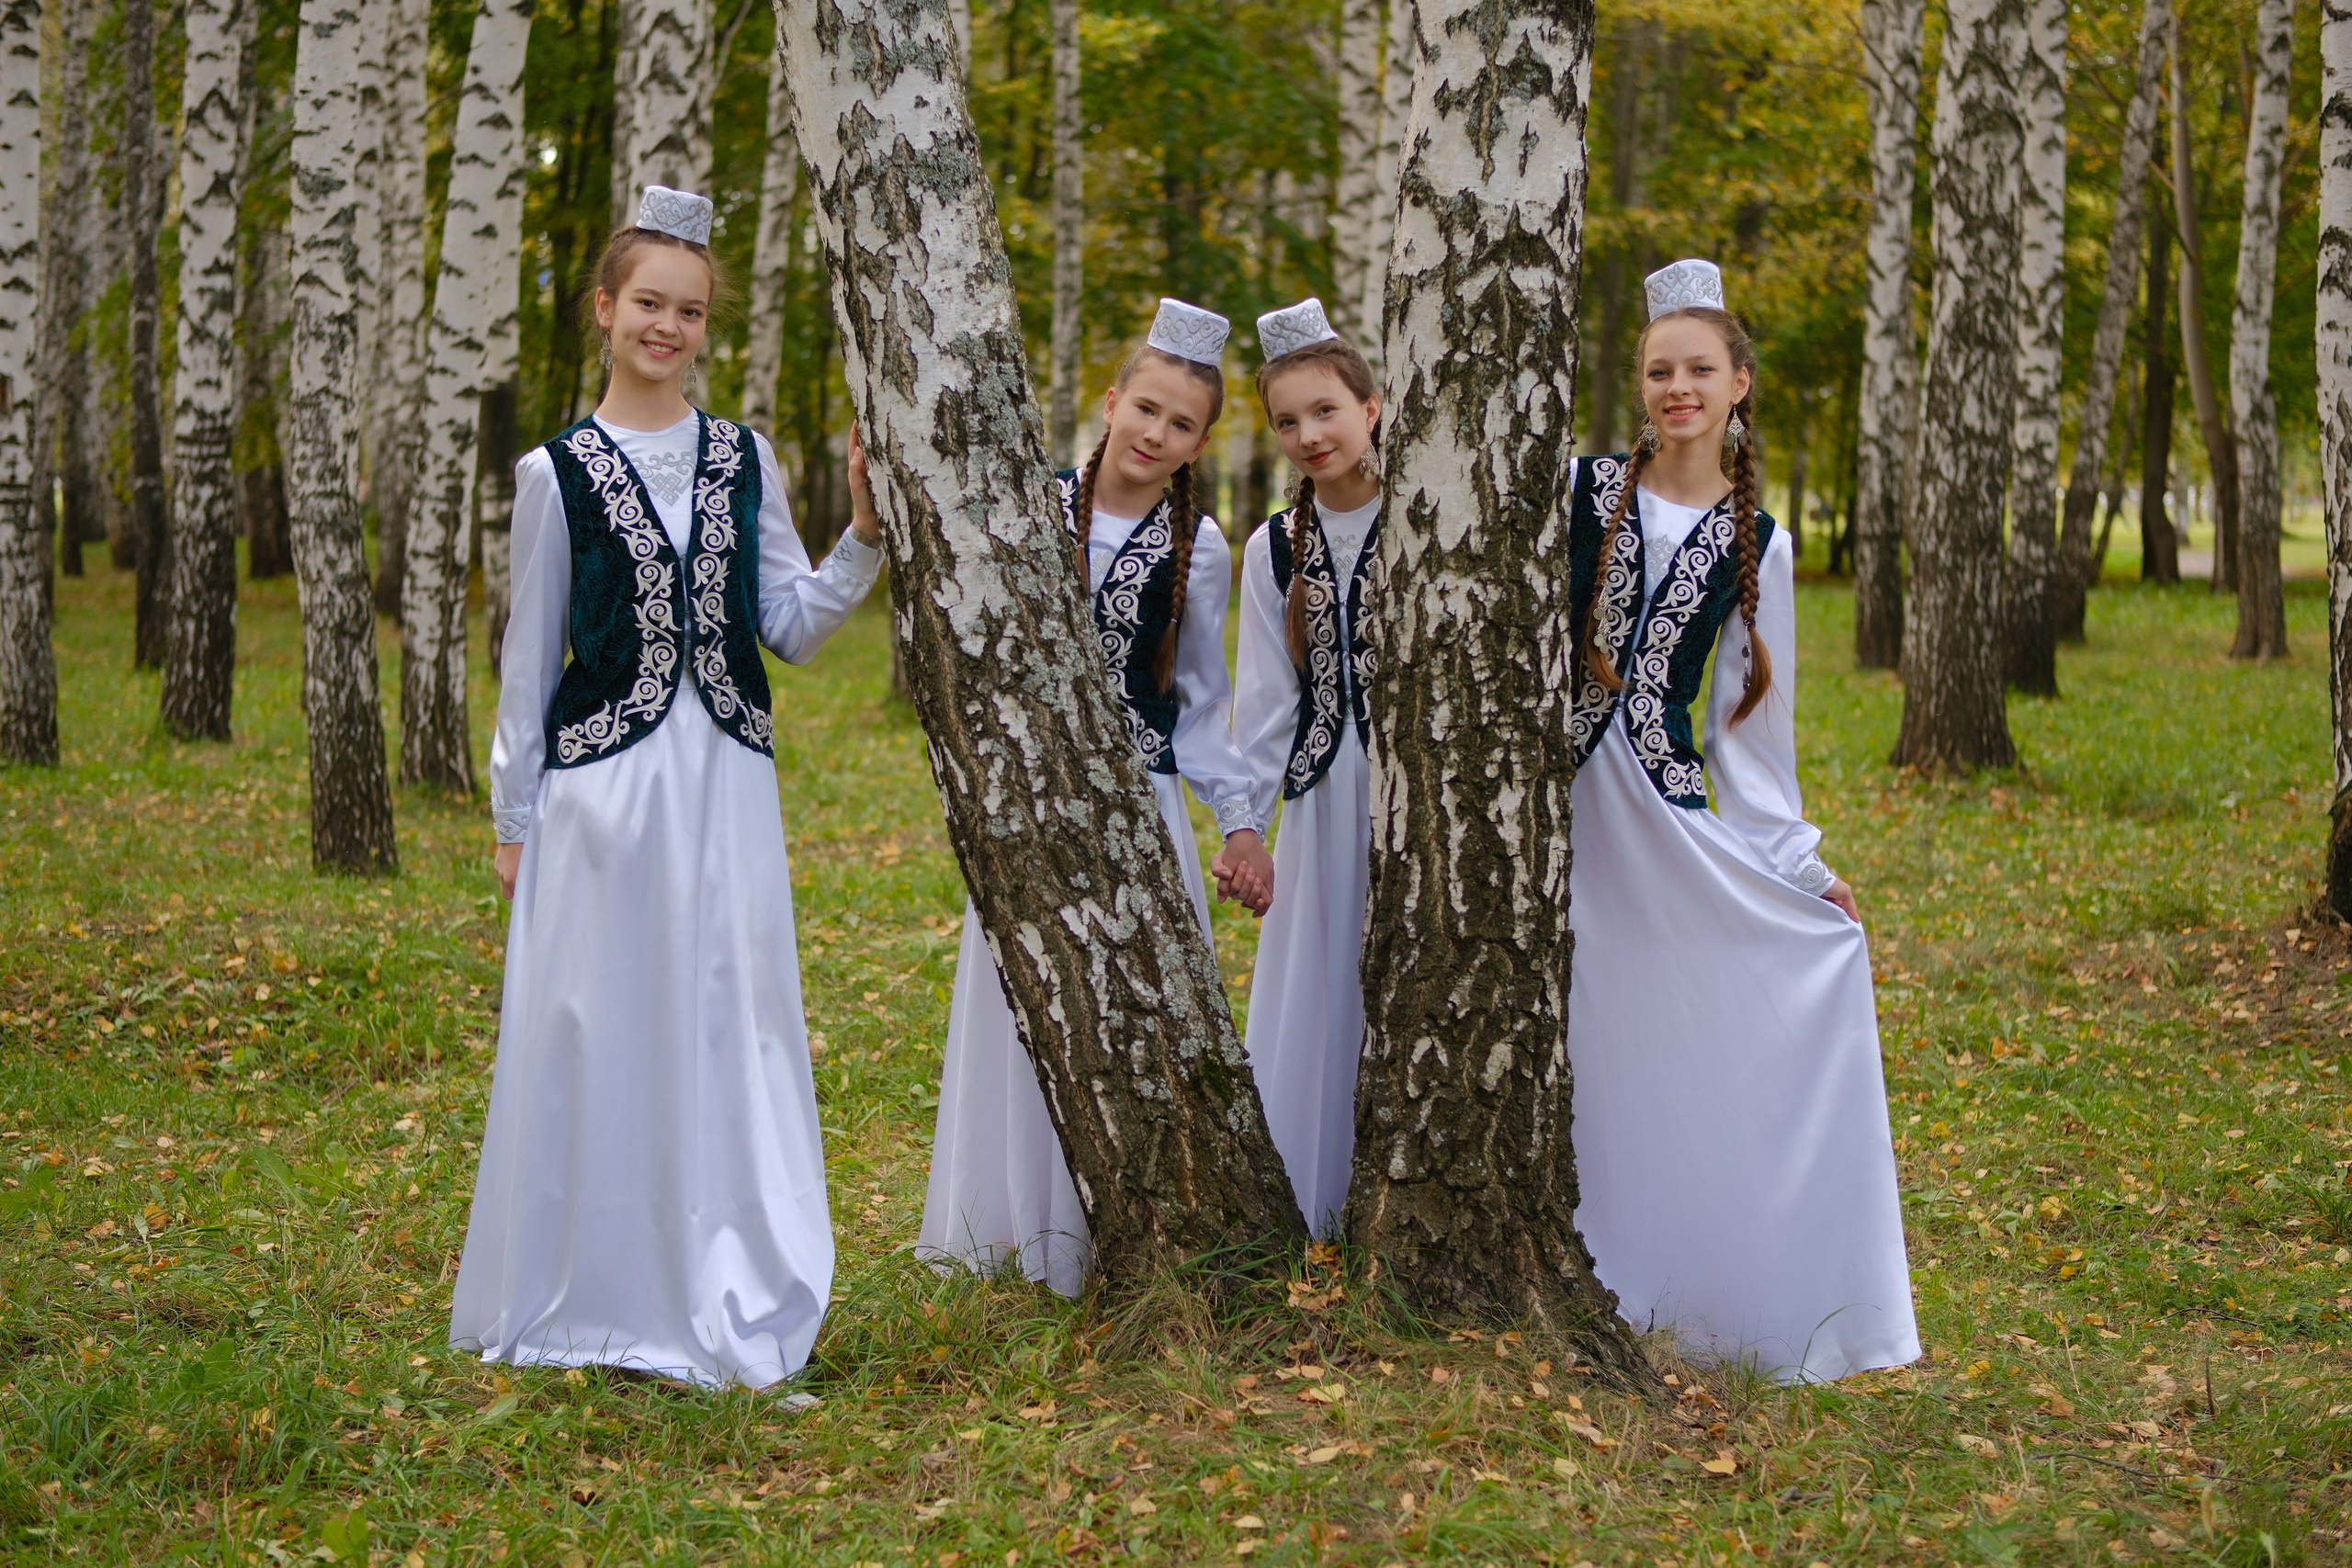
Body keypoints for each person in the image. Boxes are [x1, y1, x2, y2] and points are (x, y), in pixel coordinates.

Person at [452, 186, 885, 1390]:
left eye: (689, 310)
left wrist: (862, 534)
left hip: (727, 787)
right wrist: (514, 821)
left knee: (726, 1019)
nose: (669, 325)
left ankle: (731, 1275)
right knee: (601, 1026)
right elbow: (530, 660)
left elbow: (789, 625)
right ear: (604, 308)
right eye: (649, 301)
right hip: (605, 797)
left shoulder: (743, 457)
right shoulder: (556, 474)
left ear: (705, 326)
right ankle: (595, 1287)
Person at [1562, 260, 1918, 1382]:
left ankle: (1687, 1270)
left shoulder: (1755, 539)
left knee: (1660, 1034)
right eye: (1659, 371)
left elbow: (1747, 731)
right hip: (1549, 799)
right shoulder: (1577, 488)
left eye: (1698, 370)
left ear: (1738, 385)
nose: (1677, 389)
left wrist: (1800, 871)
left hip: (1656, 809)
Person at [917, 299, 1276, 1296]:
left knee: (1138, 1015)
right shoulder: (1028, 507)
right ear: (1111, 403)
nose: (1155, 435)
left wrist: (1238, 821)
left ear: (1200, 442)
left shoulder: (1195, 547)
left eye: (1181, 424)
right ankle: (999, 1232)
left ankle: (1119, 1235)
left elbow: (1201, 702)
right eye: (1145, 410)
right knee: (1024, 1001)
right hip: (1034, 806)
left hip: (1143, 811)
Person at [1230, 298, 1381, 1238]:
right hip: (1326, 797)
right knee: (1327, 990)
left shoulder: (1433, 520)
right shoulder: (1273, 549)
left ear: (1373, 406)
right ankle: (1317, 1197)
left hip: (1426, 798)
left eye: (1324, 410)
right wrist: (1246, 825)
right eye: (1287, 421)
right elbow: (1266, 700)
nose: (1307, 434)